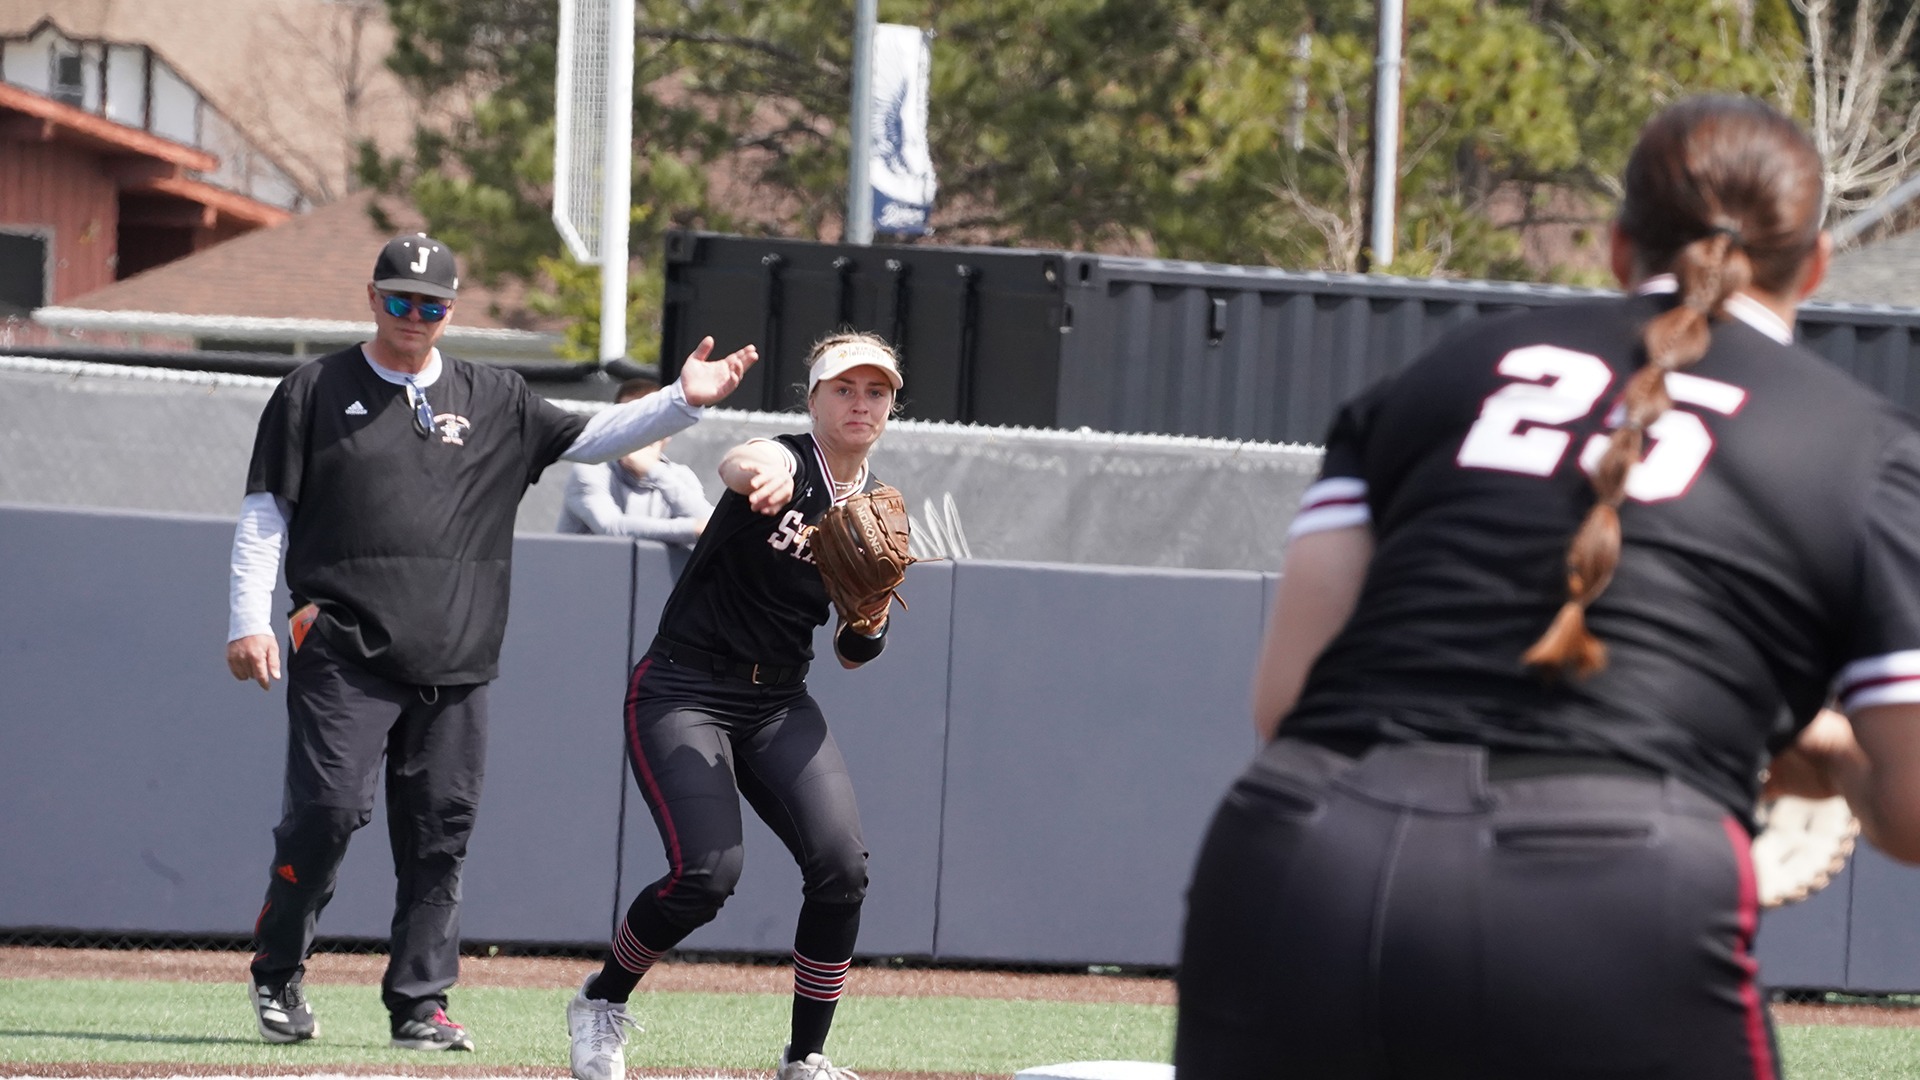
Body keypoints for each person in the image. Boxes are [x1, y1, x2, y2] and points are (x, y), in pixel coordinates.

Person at [1175, 96, 1920, 1080]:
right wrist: (1820, 745)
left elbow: (1287, 703)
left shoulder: (1441, 372)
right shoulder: (1865, 446)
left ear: (1617, 248)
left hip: (1300, 855)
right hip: (1615, 884)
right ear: (1815, 264)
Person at [224, 232, 758, 1051]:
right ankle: (278, 970)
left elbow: (591, 438)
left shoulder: (496, 396)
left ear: (451, 309)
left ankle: (420, 1003)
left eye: (431, 304)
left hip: (457, 659)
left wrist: (683, 402)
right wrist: (249, 620)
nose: (415, 316)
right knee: (324, 816)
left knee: (441, 832)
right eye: (400, 300)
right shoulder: (313, 390)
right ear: (372, 299)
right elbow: (268, 511)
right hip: (343, 648)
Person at [565, 331, 905, 1080]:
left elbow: (852, 654)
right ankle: (600, 1001)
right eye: (843, 389)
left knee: (842, 867)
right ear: (812, 399)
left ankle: (805, 1057)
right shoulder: (788, 458)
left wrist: (872, 617)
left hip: (779, 699)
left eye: (875, 391)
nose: (859, 402)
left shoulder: (878, 507)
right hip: (684, 687)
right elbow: (743, 461)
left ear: (890, 406)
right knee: (708, 873)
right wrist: (763, 478)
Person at [557, 377, 715, 545]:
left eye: (647, 422)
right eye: (627, 422)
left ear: (668, 432)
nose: (637, 433)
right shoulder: (590, 469)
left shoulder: (680, 475)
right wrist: (693, 529)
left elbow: (709, 523)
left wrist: (654, 470)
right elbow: (611, 528)